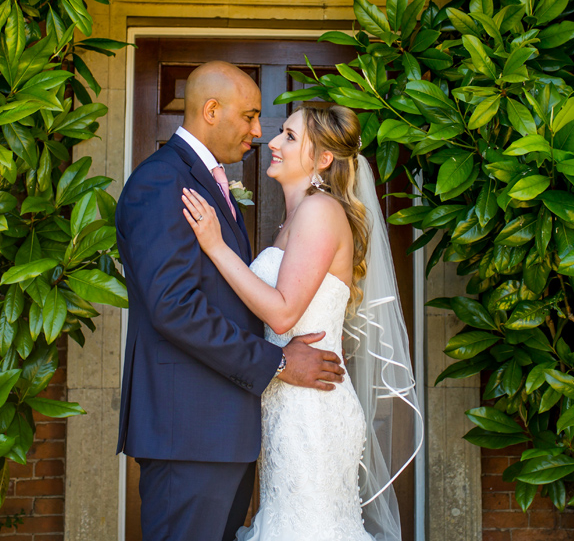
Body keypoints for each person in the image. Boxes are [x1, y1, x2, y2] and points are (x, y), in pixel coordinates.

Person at [115, 62, 347, 541]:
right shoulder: (163, 182)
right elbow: (175, 307)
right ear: (211, 110)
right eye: (251, 116)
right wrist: (280, 363)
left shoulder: (211, 183)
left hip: (224, 435)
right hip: (191, 435)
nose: (259, 134)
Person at [181, 103, 422, 541]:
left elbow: (282, 311)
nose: (271, 142)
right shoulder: (293, 222)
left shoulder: (320, 212)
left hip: (312, 407)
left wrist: (215, 246)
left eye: (289, 137)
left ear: (323, 159)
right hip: (287, 402)